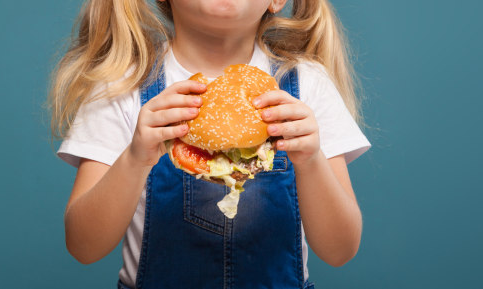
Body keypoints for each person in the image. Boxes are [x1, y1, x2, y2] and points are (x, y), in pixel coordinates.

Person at [48, 0, 371, 288]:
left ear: (277, 1)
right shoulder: (121, 86)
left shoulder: (307, 84)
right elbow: (84, 247)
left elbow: (339, 251)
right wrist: (135, 159)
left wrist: (311, 160)